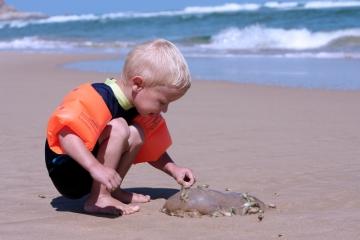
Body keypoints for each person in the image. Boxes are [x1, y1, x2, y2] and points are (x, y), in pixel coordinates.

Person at [45, 39, 196, 216]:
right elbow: (65, 135)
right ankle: (99, 197)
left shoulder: (138, 108)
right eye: (162, 102)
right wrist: (95, 167)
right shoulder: (100, 97)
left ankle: (111, 191)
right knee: (119, 127)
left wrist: (174, 169)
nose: (165, 109)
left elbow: (153, 148)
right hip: (68, 169)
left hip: (99, 174)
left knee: (137, 132)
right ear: (138, 84)